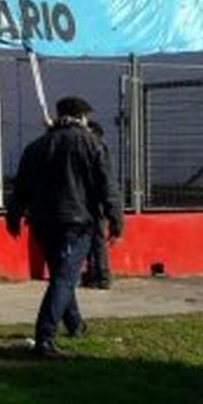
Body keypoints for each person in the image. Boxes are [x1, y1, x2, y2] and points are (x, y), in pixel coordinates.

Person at [7, 96, 123, 360]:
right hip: (76, 221)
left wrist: (14, 216)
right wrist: (116, 218)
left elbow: (21, 186)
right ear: (81, 117)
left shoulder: (36, 146)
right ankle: (44, 338)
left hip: (42, 221)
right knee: (65, 278)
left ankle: (75, 324)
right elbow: (107, 186)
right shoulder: (92, 144)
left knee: (62, 273)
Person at [82, 120, 115, 290]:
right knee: (94, 238)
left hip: (95, 201)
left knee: (97, 238)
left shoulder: (96, 149)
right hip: (93, 200)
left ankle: (101, 274)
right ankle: (95, 272)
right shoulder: (96, 149)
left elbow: (104, 180)